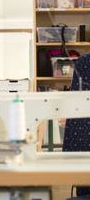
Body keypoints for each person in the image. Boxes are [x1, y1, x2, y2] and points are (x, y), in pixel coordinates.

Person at [63, 53, 90, 199]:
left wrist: (69, 153)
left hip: (84, 146)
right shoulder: (83, 64)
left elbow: (74, 109)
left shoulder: (83, 63)